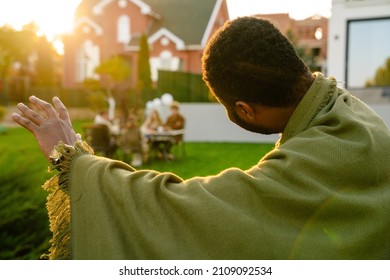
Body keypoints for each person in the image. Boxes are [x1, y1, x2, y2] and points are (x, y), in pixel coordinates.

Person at [11, 17, 390, 260]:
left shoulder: (314, 161)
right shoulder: (351, 112)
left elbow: (187, 211)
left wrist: (71, 157)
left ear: (244, 110)